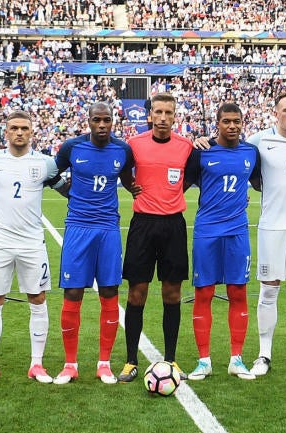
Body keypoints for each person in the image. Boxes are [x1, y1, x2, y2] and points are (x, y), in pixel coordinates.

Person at [201, 91, 286, 377]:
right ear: (276, 113)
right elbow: (233, 147)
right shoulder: (260, 141)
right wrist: (206, 141)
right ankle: (263, 354)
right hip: (271, 225)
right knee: (269, 290)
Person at [0, 111, 67, 383]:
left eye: (24, 128)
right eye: (14, 128)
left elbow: (64, 188)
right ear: (6, 131)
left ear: (32, 131)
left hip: (32, 242)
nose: (19, 132)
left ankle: (37, 364)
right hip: (0, 240)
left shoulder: (45, 163)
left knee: (37, 298)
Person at [52, 102, 135, 385]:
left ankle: (104, 364)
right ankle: (70, 364)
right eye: (97, 120)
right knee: (73, 292)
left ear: (113, 122)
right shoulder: (72, 148)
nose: (102, 125)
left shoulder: (122, 150)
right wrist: (68, 191)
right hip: (78, 227)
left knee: (109, 291)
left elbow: (128, 179)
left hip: (108, 228)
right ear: (87, 121)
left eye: (107, 120)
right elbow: (52, 174)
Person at [118, 92, 194, 383]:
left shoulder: (186, 147)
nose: (163, 117)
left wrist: (173, 194)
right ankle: (130, 361)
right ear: (149, 115)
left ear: (175, 116)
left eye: (169, 112)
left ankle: (171, 359)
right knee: (137, 293)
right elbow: (125, 173)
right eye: (158, 112)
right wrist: (132, 188)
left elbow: (189, 177)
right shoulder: (134, 145)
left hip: (173, 226)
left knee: (172, 294)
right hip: (143, 226)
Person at [183, 103, 262, 381]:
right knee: (203, 294)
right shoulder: (202, 152)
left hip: (238, 232)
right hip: (207, 231)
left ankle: (236, 359)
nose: (232, 126)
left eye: (236, 121)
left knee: (238, 293)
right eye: (226, 121)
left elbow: (260, 183)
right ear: (217, 123)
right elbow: (180, 185)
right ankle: (204, 360)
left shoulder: (251, 153)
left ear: (243, 123)